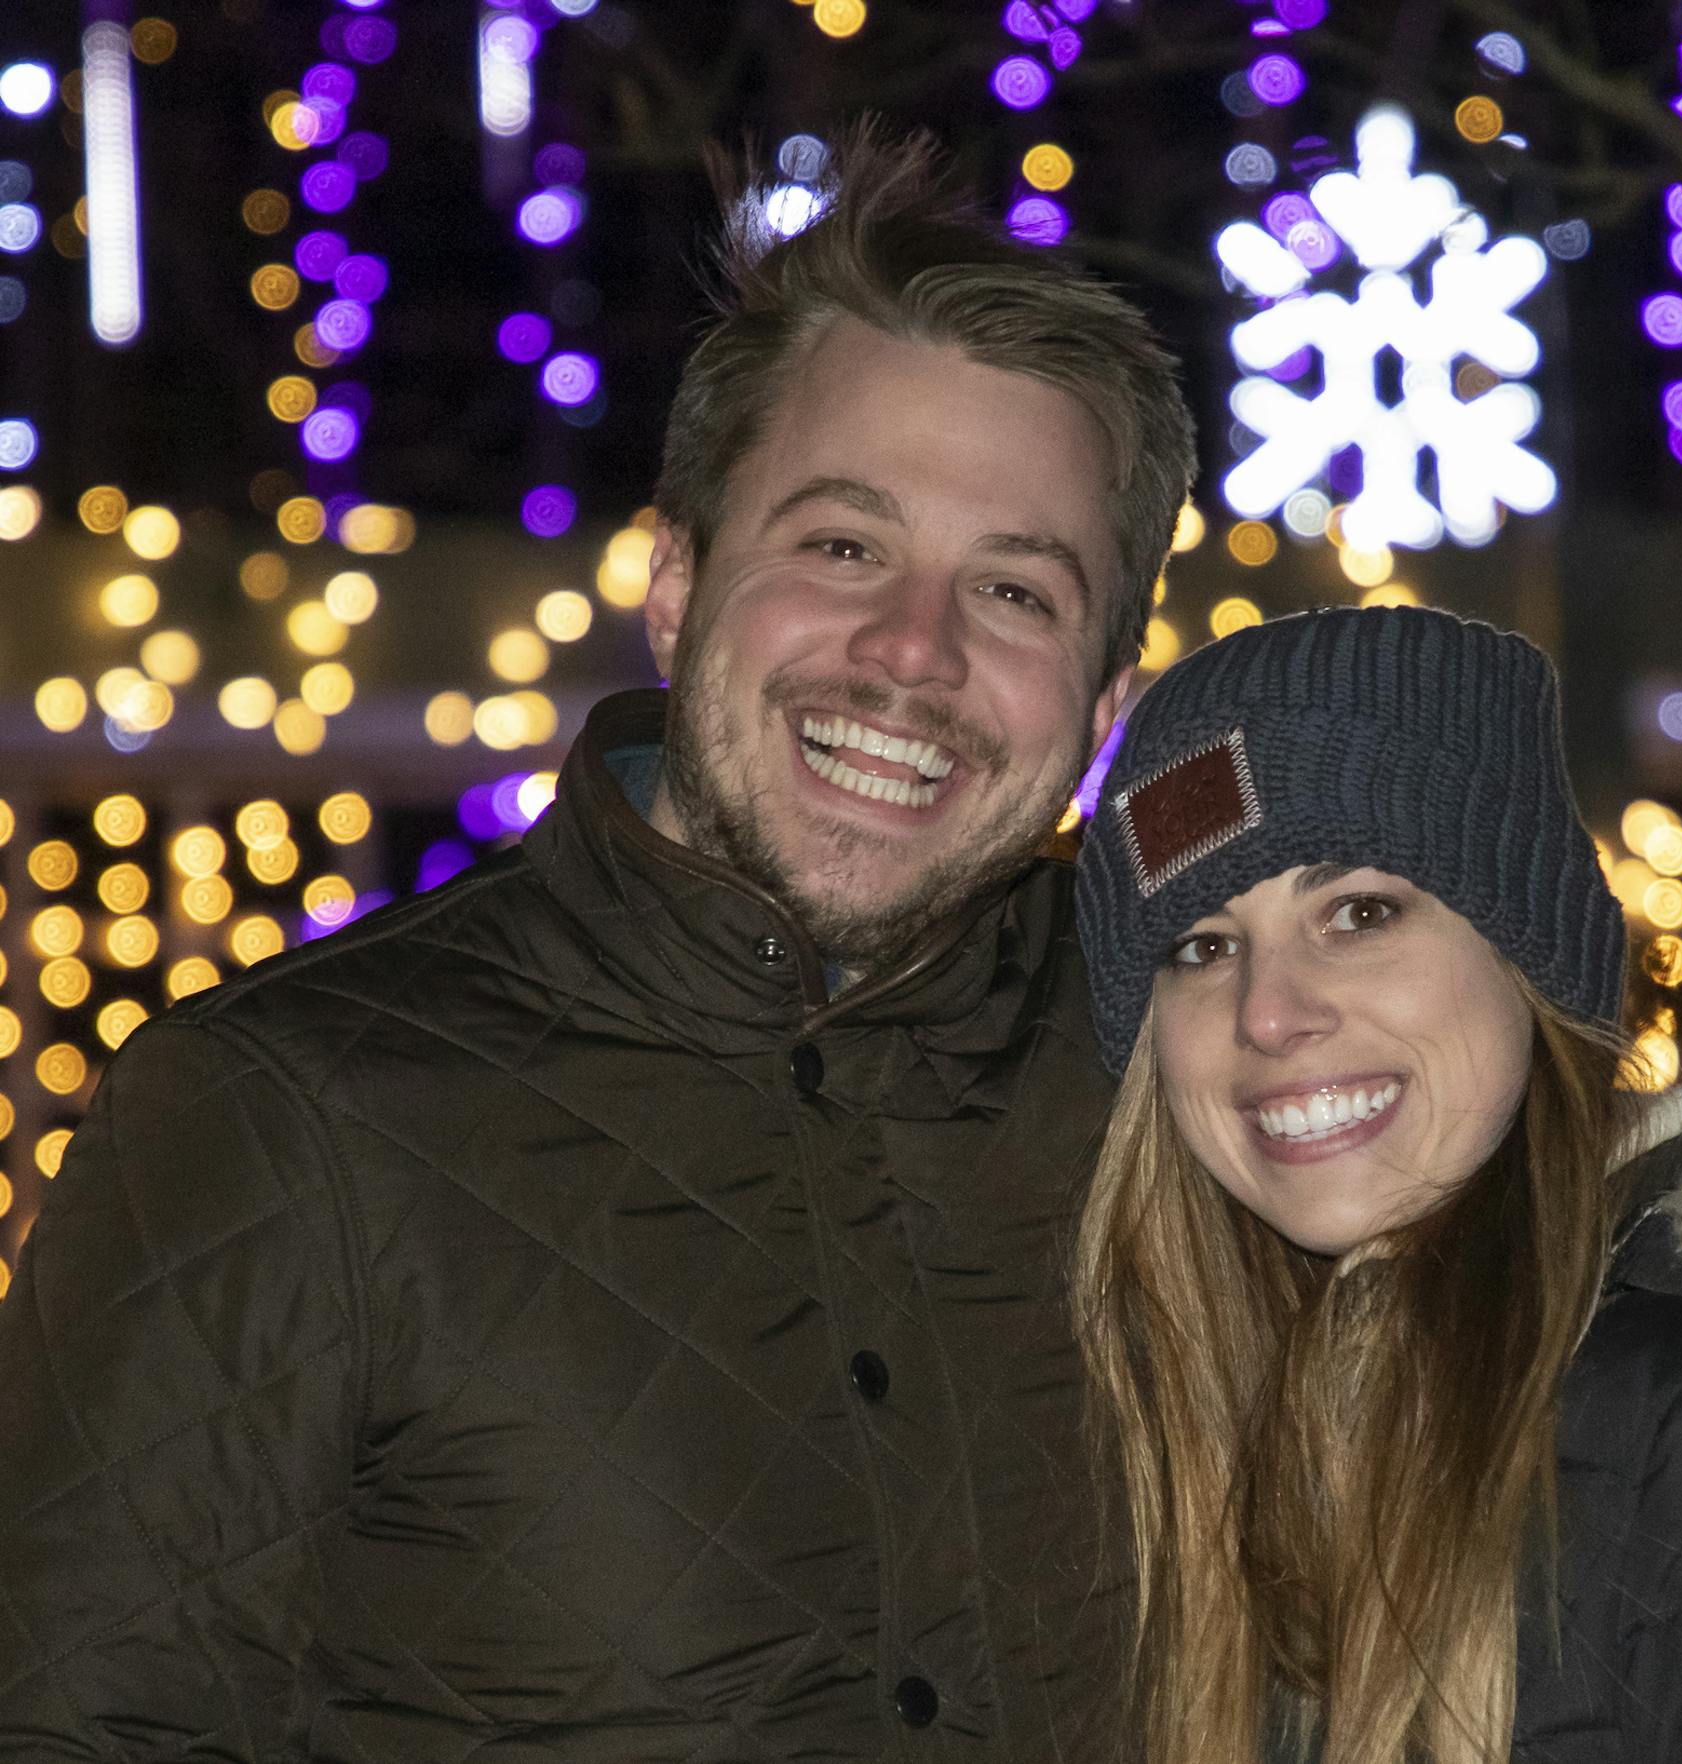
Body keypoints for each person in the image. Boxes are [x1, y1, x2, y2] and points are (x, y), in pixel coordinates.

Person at [0, 128, 1194, 1758]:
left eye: (1017, 593)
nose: (911, 649)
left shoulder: (1193, 1085)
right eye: (843, 545)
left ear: (1108, 703)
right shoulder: (290, 1116)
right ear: (676, 581)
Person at [1069, 606, 1682, 1763]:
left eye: (1360, 912)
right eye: (1200, 945)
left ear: (1528, 955)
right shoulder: (1225, 1449)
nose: (1270, 1012)